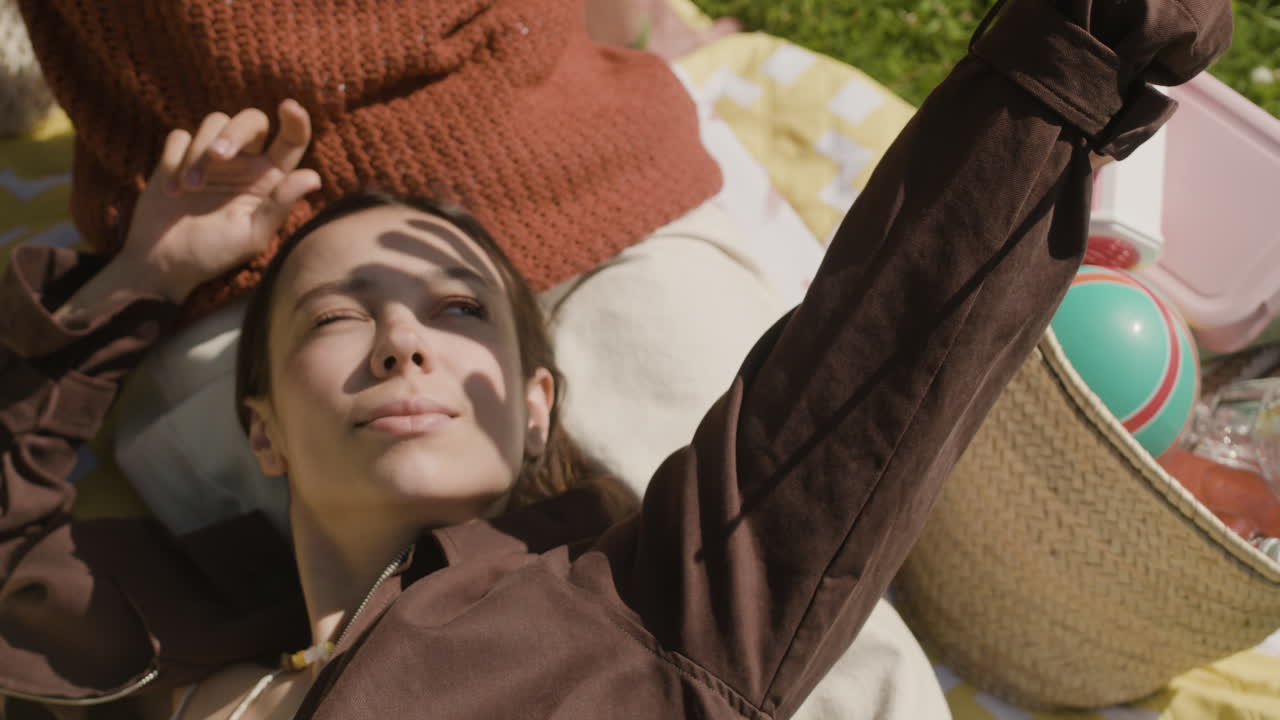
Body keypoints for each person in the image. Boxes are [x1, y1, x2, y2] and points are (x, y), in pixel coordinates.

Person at [0, 0, 1231, 718]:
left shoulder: (655, 617)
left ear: (537, 407)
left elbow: (861, 371)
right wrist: (138, 284)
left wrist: (1075, 49)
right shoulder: (168, 639)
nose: (399, 336)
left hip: (575, 168)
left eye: (450, 313)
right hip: (223, 227)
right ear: (259, 427)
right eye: (335, 317)